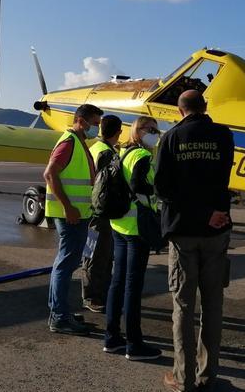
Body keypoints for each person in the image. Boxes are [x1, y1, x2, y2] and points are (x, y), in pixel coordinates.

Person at [154, 90, 234, 392]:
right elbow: (223, 178)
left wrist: (199, 214)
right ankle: (207, 376)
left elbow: (162, 187)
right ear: (206, 107)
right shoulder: (224, 136)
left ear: (179, 110)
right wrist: (213, 214)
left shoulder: (172, 138)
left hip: (184, 232)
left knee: (184, 306)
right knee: (213, 306)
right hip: (217, 230)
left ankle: (183, 377)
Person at [103, 116, 164, 361]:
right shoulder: (142, 156)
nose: (156, 133)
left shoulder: (124, 152)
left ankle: (112, 337)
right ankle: (134, 344)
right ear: (138, 131)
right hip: (137, 227)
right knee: (133, 286)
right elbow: (139, 185)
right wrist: (159, 188)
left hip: (119, 224)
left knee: (117, 282)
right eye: (151, 129)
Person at [44, 103, 104, 335]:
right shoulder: (69, 142)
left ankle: (59, 311)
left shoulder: (78, 143)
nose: (96, 129)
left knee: (65, 263)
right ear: (81, 120)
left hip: (77, 214)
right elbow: (50, 174)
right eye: (94, 124)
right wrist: (68, 207)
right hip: (71, 216)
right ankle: (59, 316)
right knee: (65, 264)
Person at [82, 114, 124, 313]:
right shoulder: (107, 153)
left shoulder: (93, 148)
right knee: (98, 256)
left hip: (92, 210)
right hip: (101, 213)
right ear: (118, 132)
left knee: (97, 255)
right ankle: (92, 296)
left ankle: (98, 293)